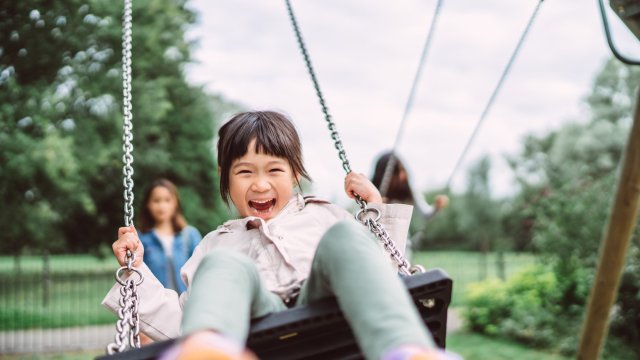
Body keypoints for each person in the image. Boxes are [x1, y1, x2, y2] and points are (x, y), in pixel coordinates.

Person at [103, 111, 457, 360]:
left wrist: (376, 209)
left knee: (346, 238)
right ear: (225, 177)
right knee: (223, 263)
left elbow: (378, 277)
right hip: (256, 328)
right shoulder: (215, 243)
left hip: (328, 310)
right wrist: (136, 274)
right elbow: (185, 318)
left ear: (294, 175)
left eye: (274, 170)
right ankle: (209, 350)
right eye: (244, 172)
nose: (260, 184)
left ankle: (406, 350)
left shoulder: (323, 215)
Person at [371, 152, 449, 248]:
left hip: (400, 245)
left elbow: (426, 214)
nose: (402, 176)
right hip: (375, 242)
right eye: (397, 173)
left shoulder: (409, 191)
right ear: (383, 175)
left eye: (402, 170)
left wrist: (436, 206)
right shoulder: (373, 192)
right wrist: (375, 203)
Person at [138, 178, 202, 293]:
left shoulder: (189, 235)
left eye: (167, 200)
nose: (162, 206)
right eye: (156, 200)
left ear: (175, 203)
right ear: (148, 204)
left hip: (186, 306)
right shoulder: (141, 238)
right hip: (155, 306)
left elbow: (201, 272)